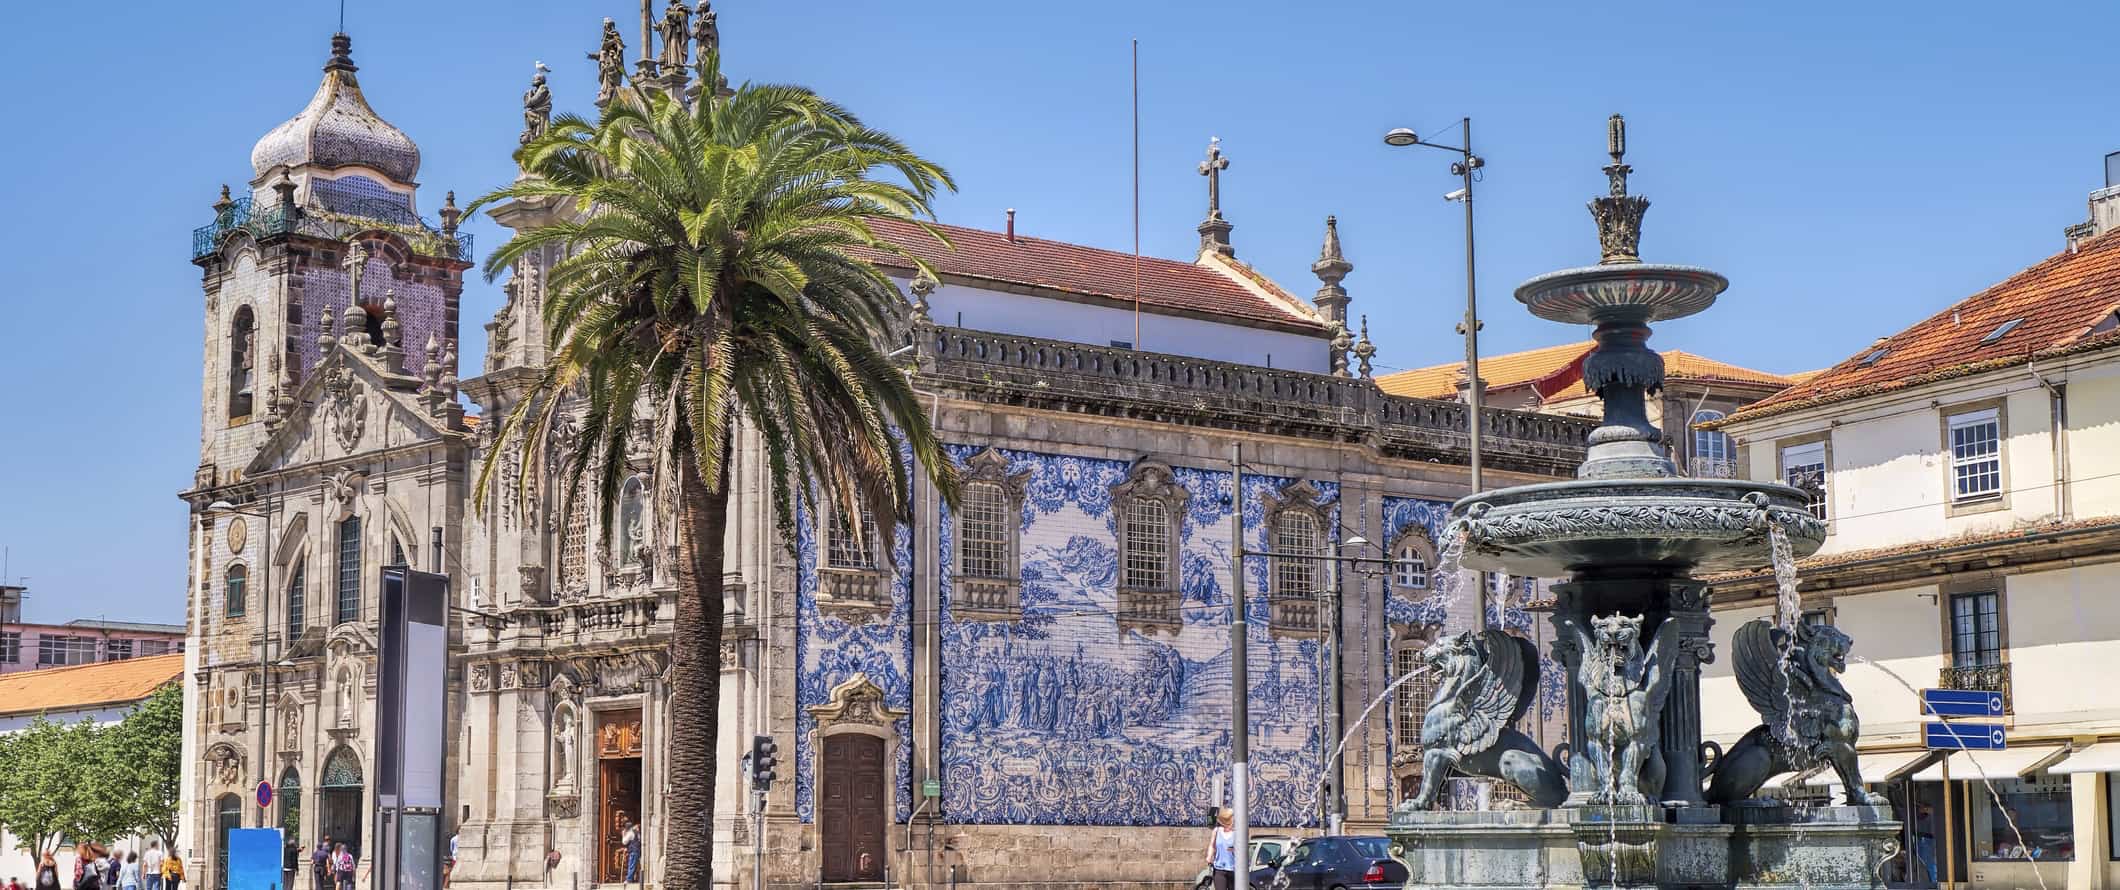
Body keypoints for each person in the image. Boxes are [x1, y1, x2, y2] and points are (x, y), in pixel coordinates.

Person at [1208, 808, 1237, 890]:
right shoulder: (1217, 831)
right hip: (1219, 869)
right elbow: (1212, 845)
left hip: (1233, 869)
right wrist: (1209, 856)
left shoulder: (1237, 833)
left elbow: (1241, 850)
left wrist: (1232, 849)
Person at [1913, 803, 1939, 887]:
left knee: (1930, 863)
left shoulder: (1932, 814)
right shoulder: (1918, 817)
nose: (1921, 809)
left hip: (1928, 839)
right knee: (1922, 863)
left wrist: (1926, 809)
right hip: (1919, 838)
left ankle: (1933, 883)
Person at [619, 813, 640, 883]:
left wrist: (623, 834)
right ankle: (633, 879)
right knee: (633, 865)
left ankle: (629, 879)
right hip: (636, 850)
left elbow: (624, 842)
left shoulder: (630, 832)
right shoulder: (635, 831)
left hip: (633, 851)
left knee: (631, 865)